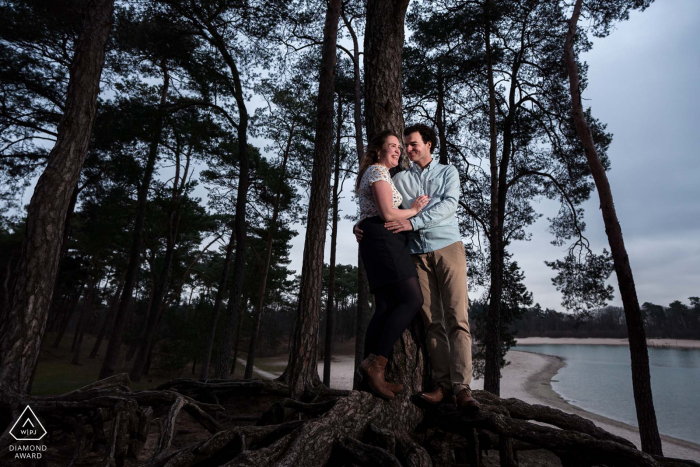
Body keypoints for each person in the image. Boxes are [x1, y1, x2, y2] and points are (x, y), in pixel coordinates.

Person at [355, 124, 479, 409]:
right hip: (414, 253)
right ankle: (443, 386)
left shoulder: (448, 172)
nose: (408, 150)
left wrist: (413, 221)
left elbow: (449, 205)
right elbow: (379, 203)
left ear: (429, 145)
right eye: (404, 146)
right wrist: (361, 224)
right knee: (432, 321)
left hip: (447, 246)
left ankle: (462, 388)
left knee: (457, 318)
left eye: (413, 145)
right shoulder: (397, 178)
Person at [355, 130, 429, 400]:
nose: (398, 151)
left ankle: (370, 370)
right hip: (384, 241)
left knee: (386, 306)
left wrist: (361, 224)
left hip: (378, 239)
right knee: (412, 300)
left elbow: (372, 213)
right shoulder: (377, 171)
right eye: (392, 147)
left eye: (400, 147)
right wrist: (415, 210)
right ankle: (378, 364)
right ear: (378, 151)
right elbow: (386, 213)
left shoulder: (379, 174)